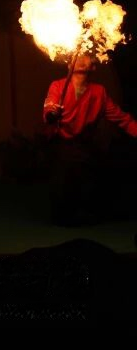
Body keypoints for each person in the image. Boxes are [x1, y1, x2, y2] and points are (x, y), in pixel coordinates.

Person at [42, 52, 137, 225]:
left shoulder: (99, 92)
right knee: (61, 194)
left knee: (87, 188)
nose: (79, 58)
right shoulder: (58, 85)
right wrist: (52, 114)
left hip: (84, 146)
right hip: (62, 144)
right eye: (76, 57)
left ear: (93, 67)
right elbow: (49, 108)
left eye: (85, 57)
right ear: (69, 65)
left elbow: (122, 119)